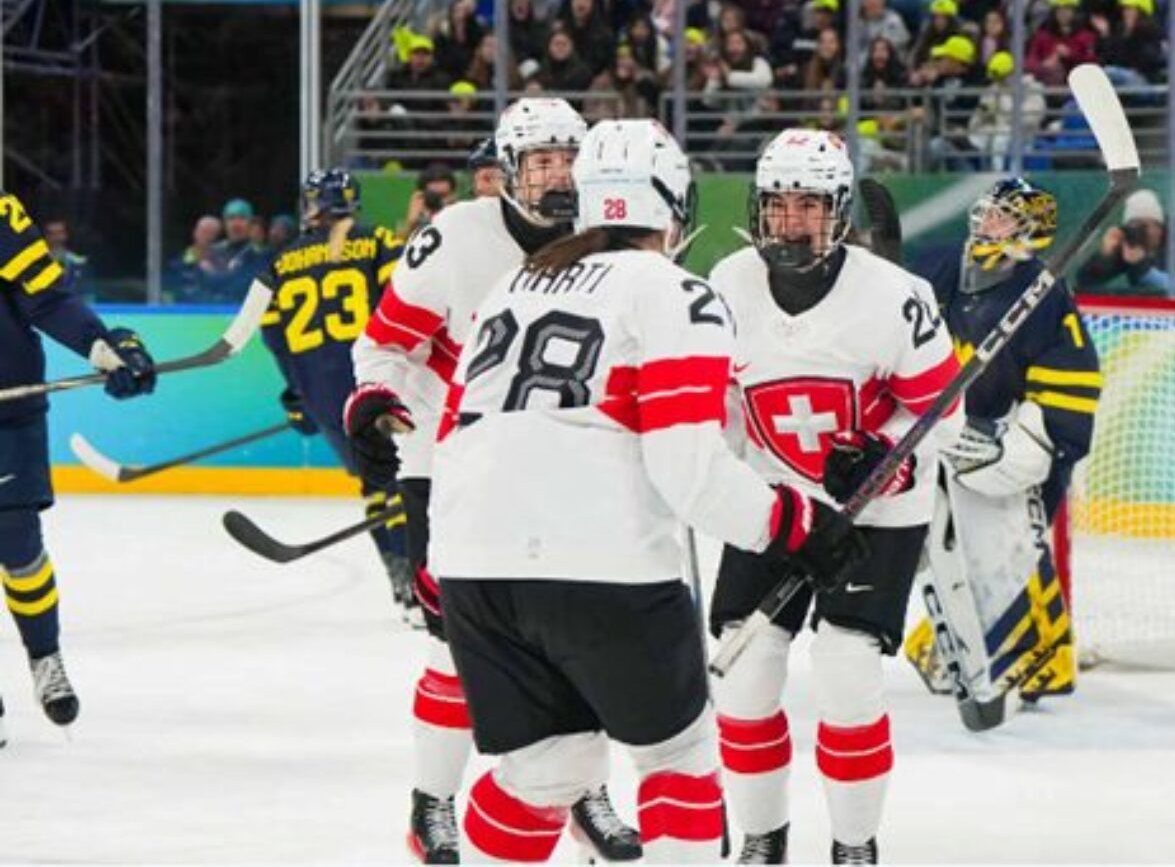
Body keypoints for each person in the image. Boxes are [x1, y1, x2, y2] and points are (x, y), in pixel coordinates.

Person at [426, 119, 868, 864]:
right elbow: (688, 471)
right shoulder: (676, 292)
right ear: (672, 203)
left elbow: (453, 434)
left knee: (549, 769)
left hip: (473, 562)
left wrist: (440, 558)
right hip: (601, 564)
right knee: (680, 759)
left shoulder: (512, 285)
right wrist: (798, 524)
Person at [347, 100, 641, 864]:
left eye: (567, 158)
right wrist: (375, 403)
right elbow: (383, 344)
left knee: (581, 640)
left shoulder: (611, 243)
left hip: (565, 474)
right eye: (539, 161)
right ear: (507, 172)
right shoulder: (455, 237)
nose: (556, 175)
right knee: (455, 648)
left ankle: (582, 792)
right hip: (452, 473)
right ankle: (432, 802)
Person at [707, 130, 961, 865]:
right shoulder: (725, 283)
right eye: (778, 204)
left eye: (810, 204)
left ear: (840, 210)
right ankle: (763, 836)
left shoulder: (896, 298)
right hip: (775, 505)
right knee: (746, 676)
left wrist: (886, 460)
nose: (792, 220)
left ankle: (854, 844)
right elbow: (714, 409)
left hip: (876, 510)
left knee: (847, 673)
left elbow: (943, 414)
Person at [905, 179, 1098, 713]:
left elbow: (1074, 377)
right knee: (945, 549)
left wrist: (1028, 447)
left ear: (1031, 231)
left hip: (1011, 440)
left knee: (1007, 551)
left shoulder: (1044, 293)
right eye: (987, 212)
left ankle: (1039, 659)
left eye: (1003, 217)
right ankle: (970, 646)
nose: (987, 223)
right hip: (945, 436)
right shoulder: (939, 268)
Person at [0, 190, 155, 740]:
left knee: (17, 544)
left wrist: (101, 345)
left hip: (6, 413)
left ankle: (44, 656)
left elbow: (46, 296)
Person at [256, 170, 411, 617]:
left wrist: (297, 393)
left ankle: (398, 574)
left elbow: (274, 337)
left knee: (375, 484)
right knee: (406, 481)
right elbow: (401, 303)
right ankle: (418, 581)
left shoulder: (281, 262)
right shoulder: (379, 240)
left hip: (323, 395)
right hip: (377, 382)